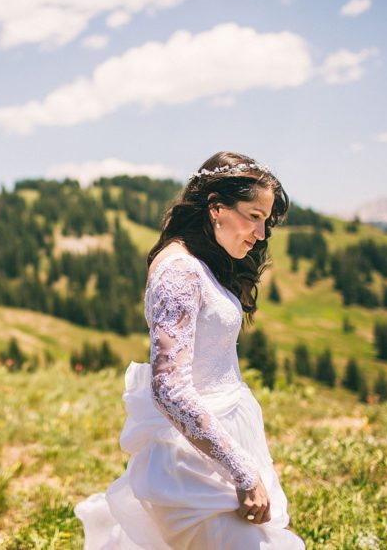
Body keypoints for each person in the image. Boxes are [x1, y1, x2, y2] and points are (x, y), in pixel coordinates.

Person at [74, 151, 305, 549]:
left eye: (266, 220)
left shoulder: (202, 262)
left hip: (221, 433)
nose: (261, 233)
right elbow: (170, 388)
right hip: (190, 457)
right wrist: (243, 472)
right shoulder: (179, 271)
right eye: (253, 216)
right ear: (216, 207)